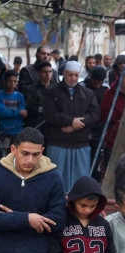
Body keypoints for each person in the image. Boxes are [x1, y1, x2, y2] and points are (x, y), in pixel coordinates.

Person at [43, 60, 100, 190]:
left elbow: (95, 114)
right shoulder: (52, 92)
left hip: (81, 143)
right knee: (56, 183)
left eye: (76, 75)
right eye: (70, 75)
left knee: (80, 185)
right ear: (64, 73)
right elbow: (50, 114)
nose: (73, 78)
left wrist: (76, 124)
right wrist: (70, 121)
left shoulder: (88, 93)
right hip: (58, 142)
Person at [0, 70, 26, 147]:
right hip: (4, 131)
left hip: (18, 131)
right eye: (10, 81)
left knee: (17, 153)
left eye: (15, 81)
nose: (12, 84)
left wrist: (9, 113)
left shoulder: (20, 96)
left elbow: (23, 114)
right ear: (4, 82)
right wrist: (18, 112)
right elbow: (2, 112)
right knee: (4, 153)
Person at [22, 61, 53, 130]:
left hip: (52, 126)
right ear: (39, 73)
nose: (48, 74)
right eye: (44, 72)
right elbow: (27, 109)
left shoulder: (56, 89)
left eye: (50, 71)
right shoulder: (30, 90)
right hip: (36, 125)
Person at [87, 65, 109, 166]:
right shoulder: (82, 87)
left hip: (100, 126)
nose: (97, 86)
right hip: (86, 125)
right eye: (95, 83)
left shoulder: (106, 88)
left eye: (100, 83)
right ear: (91, 77)